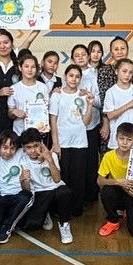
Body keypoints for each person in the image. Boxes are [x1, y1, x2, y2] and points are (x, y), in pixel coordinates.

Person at [50, 64, 96, 217]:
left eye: (77, 76)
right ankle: (61, 210)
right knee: (63, 177)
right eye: (71, 75)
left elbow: (86, 122)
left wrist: (90, 104)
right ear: (65, 77)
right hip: (62, 142)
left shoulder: (83, 95)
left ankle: (76, 209)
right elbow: (53, 121)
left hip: (80, 142)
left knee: (78, 178)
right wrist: (55, 143)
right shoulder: (57, 95)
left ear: (80, 79)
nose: (73, 79)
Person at [19, 128, 74, 244]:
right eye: (29, 147)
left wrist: (49, 160)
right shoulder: (23, 160)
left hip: (54, 190)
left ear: (41, 144)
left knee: (65, 192)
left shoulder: (52, 155)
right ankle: (45, 213)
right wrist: (24, 180)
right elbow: (26, 189)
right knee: (33, 224)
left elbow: (57, 179)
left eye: (36, 146)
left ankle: (64, 225)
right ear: (23, 148)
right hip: (39, 194)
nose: (33, 150)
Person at [97, 123, 133, 237]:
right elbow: (100, 181)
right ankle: (113, 220)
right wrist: (118, 182)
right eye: (121, 138)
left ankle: (130, 212)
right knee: (106, 191)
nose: (124, 142)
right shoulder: (108, 156)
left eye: (129, 139)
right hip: (116, 192)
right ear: (116, 138)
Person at [0, 29, 39, 139]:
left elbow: (29, 40)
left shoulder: (19, 62)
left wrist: (40, 22)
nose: (2, 46)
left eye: (6, 42)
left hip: (19, 115)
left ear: (12, 43)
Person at [0, 131, 33, 244]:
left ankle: (6, 229)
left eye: (12, 148)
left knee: (25, 197)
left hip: (18, 195)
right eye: (5, 147)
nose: (8, 152)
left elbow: (34, 147)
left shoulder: (20, 153)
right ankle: (10, 220)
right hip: (2, 196)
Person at [71, 44, 103, 204]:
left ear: (88, 56)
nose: (81, 57)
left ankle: (91, 196)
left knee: (91, 162)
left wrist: (89, 96)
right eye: (77, 55)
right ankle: (77, 197)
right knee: (77, 163)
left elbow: (101, 102)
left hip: (91, 125)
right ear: (72, 59)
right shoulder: (70, 73)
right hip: (73, 126)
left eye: (83, 54)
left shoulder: (95, 74)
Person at [8, 53, 50, 137]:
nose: (30, 70)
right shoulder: (14, 88)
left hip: (39, 134)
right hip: (19, 133)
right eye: (26, 66)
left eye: (33, 67)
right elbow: (10, 113)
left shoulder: (43, 87)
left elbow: (46, 110)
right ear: (20, 68)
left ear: (37, 69)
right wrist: (14, 112)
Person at [102, 59, 133, 150]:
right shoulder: (111, 92)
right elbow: (110, 115)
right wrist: (129, 105)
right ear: (116, 71)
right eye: (124, 71)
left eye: (130, 72)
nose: (127, 75)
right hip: (117, 141)